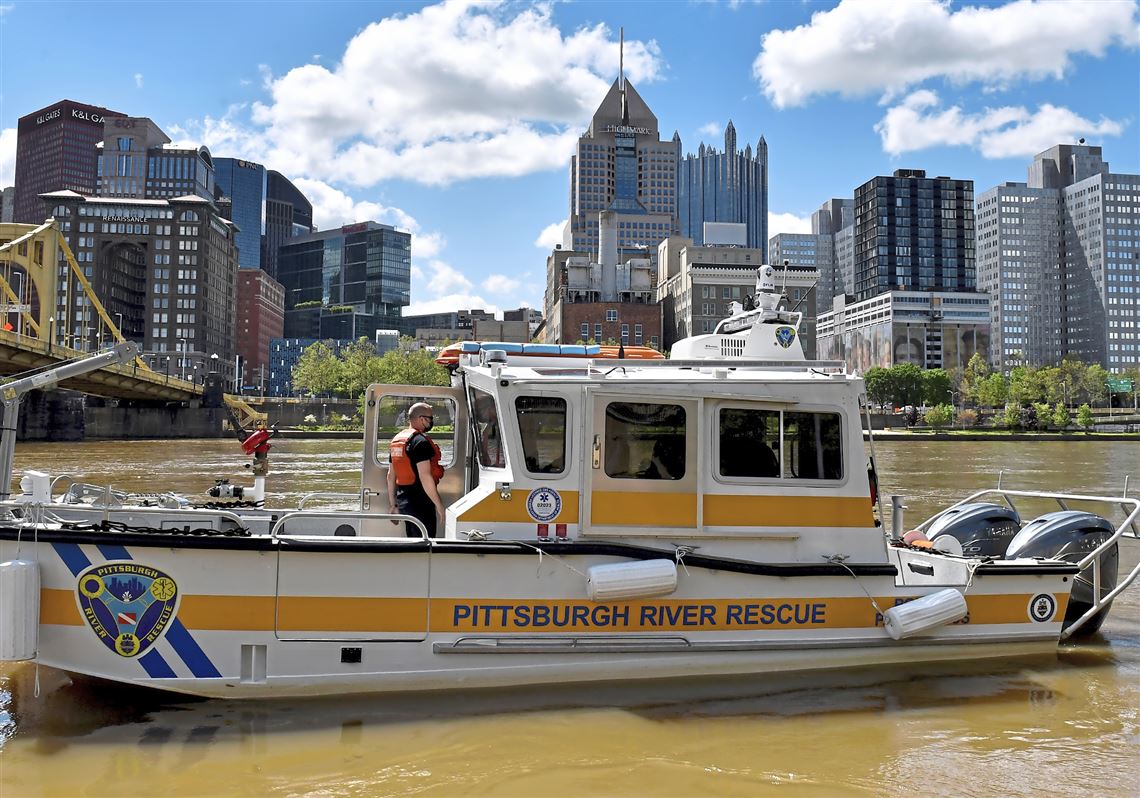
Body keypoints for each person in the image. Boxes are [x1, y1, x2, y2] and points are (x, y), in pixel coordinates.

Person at [387, 402, 445, 538]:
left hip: (405, 503)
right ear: (422, 419)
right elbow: (425, 477)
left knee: (413, 541)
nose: (431, 421)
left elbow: (391, 476)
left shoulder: (397, 440)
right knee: (425, 543)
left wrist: (393, 505)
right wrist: (439, 505)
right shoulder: (420, 442)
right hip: (421, 503)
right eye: (430, 418)